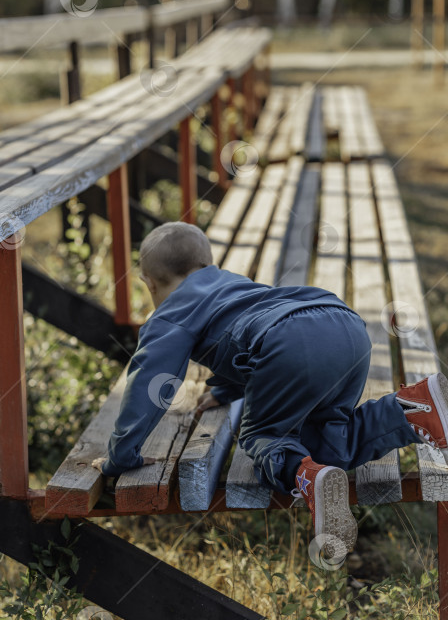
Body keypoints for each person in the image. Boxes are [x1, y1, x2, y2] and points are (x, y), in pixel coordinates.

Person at [92, 222, 448, 558]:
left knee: (261, 435)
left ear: (149, 283)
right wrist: (226, 389)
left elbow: (149, 382)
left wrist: (122, 454)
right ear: (206, 264)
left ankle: (308, 478)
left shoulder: (168, 314)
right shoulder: (229, 282)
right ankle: (412, 408)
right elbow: (242, 334)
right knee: (328, 443)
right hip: (345, 326)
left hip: (289, 343)